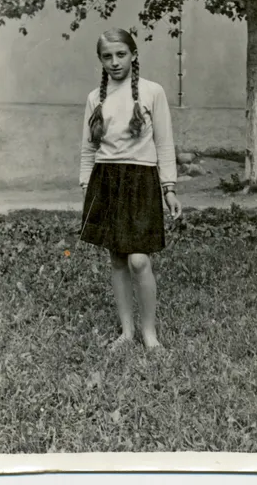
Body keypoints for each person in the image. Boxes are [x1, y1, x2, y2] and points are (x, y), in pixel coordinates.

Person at [79, 27, 182, 350]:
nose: (114, 62)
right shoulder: (96, 97)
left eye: (121, 54)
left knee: (139, 259)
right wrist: (86, 184)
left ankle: (149, 334)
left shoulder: (153, 92)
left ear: (133, 55)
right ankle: (126, 332)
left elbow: (164, 143)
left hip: (141, 181)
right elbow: (88, 148)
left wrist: (169, 187)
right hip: (106, 180)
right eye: (107, 56)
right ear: (100, 60)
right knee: (118, 259)